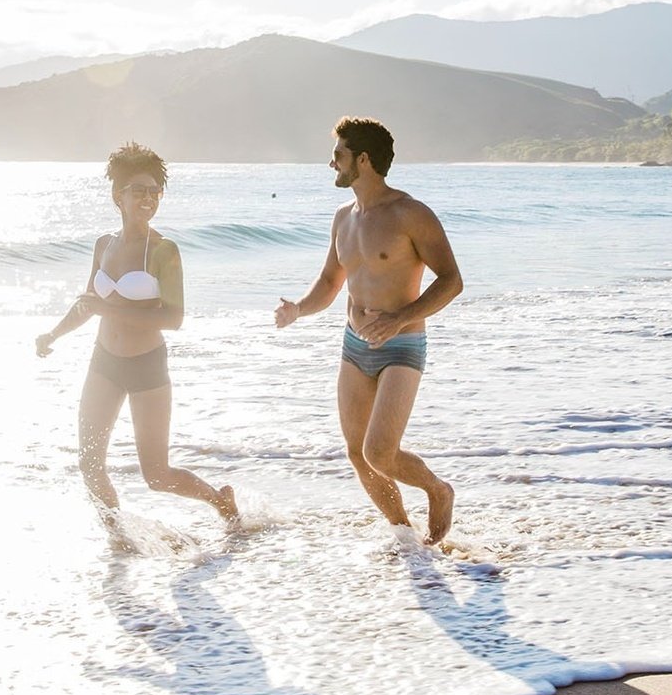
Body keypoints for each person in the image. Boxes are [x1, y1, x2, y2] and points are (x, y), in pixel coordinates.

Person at [275, 117, 462, 543]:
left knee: (381, 452)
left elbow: (452, 280)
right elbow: (328, 282)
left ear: (363, 159)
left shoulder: (410, 214)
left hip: (402, 345)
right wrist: (298, 310)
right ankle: (407, 539)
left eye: (338, 154)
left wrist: (399, 318)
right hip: (354, 345)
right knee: (358, 455)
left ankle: (438, 489)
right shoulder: (344, 218)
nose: (331, 163)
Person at [37, 143, 239, 524]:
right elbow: (87, 303)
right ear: (119, 195)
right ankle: (120, 539)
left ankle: (220, 500)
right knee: (89, 463)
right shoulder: (104, 245)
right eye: (139, 191)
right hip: (104, 362)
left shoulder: (164, 250)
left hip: (147, 367)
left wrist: (108, 309)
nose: (149, 199)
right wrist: (53, 334)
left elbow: (173, 318)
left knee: (157, 476)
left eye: (155, 192)